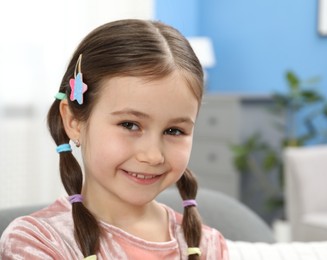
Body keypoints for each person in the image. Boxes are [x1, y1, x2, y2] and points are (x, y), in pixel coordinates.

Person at [0, 19, 228, 259]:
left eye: (174, 131)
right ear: (73, 121)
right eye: (129, 125)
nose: (152, 155)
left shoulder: (208, 245)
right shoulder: (35, 241)